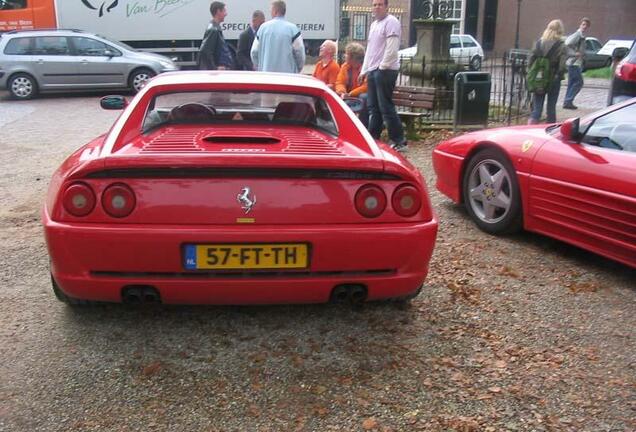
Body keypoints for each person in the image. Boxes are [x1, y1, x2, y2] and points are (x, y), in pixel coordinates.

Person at [359, 0, 407, 152]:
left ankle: (399, 140)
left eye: (380, 4)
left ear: (386, 6)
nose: (376, 7)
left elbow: (392, 48)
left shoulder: (391, 22)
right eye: (374, 4)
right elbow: (370, 50)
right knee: (374, 107)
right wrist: (364, 70)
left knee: (385, 106)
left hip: (385, 71)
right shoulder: (374, 25)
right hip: (374, 70)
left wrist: (383, 67)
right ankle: (374, 138)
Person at [527, 20, 567, 124]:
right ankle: (549, 131)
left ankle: (531, 129)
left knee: (537, 108)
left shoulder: (539, 43)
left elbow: (531, 60)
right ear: (560, 30)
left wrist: (532, 73)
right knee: (551, 108)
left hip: (539, 78)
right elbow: (562, 66)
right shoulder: (561, 45)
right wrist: (559, 75)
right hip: (553, 78)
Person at [250, 1, 305, 73]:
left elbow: (254, 51)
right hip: (288, 76)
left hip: (266, 75)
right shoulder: (293, 29)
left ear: (275, 11)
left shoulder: (263, 28)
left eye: (271, 10)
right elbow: (299, 52)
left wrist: (260, 67)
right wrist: (297, 69)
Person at [335, 42, 369, 126]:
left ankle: (362, 126)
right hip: (347, 95)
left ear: (353, 57)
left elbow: (366, 87)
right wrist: (342, 92)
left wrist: (350, 93)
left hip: (359, 96)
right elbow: (340, 82)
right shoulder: (345, 66)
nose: (344, 56)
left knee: (364, 97)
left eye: (347, 54)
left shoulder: (366, 69)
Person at [563, 17, 591, 109]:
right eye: (583, 24)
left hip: (575, 63)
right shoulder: (578, 34)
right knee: (579, 82)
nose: (584, 27)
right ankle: (568, 100)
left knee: (571, 83)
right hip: (573, 63)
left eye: (586, 25)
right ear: (580, 25)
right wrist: (575, 53)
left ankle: (567, 102)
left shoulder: (582, 36)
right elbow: (567, 43)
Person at [197, 1, 235, 70]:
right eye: (224, 11)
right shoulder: (213, 30)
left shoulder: (215, 28)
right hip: (216, 73)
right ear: (218, 11)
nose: (226, 14)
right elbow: (206, 52)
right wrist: (215, 68)